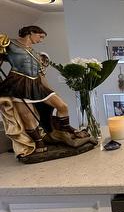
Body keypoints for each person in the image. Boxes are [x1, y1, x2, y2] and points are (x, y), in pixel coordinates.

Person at [0, 26, 88, 155]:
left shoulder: (36, 54)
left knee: (62, 106)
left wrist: (52, 91)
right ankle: (38, 140)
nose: (41, 40)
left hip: (36, 83)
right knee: (27, 116)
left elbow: (41, 76)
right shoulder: (9, 43)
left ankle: (65, 130)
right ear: (31, 33)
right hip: (18, 83)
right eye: (40, 36)